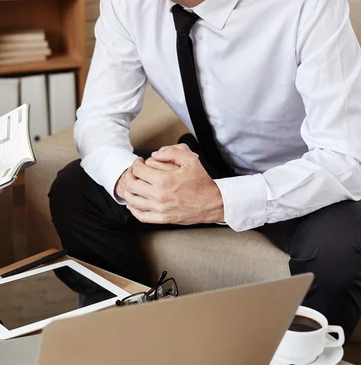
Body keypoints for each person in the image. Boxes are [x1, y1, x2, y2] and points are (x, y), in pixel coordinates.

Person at [49, 0, 361, 340]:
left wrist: (217, 200)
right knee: (76, 190)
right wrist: (127, 180)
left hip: (302, 175)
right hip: (209, 163)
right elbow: (99, 117)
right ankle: (134, 337)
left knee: (338, 252)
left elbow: (345, 155)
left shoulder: (309, 5)